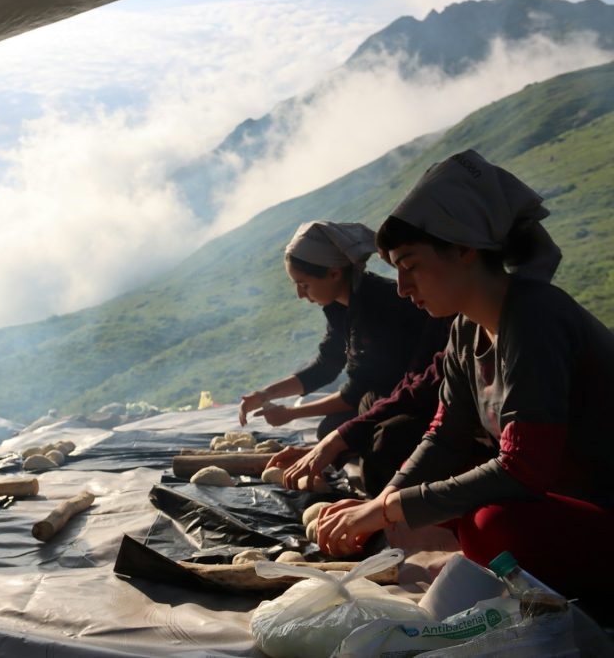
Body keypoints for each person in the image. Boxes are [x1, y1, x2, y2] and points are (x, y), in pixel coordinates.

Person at [317, 150, 614, 598]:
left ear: (463, 248)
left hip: (600, 502)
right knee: (441, 490)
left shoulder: (534, 317)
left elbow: (523, 469)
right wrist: (381, 502)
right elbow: (445, 435)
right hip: (562, 498)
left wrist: (390, 509)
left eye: (411, 266)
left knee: (489, 522)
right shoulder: (465, 330)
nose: (403, 288)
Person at [238, 221, 449, 439]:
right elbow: (326, 365)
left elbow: (355, 392)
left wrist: (291, 413)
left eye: (304, 285)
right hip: (381, 394)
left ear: (334, 273)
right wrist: (265, 394)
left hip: (415, 397)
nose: (300, 295)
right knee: (330, 428)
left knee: (351, 432)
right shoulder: (339, 308)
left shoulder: (377, 307)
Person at [269, 350, 446, 496]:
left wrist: (336, 441)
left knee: (384, 443)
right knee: (333, 427)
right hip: (397, 395)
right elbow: (412, 378)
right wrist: (328, 448)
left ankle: (388, 497)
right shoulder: (437, 326)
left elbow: (422, 389)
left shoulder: (453, 335)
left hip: (431, 410)